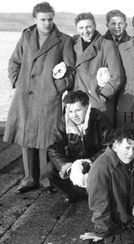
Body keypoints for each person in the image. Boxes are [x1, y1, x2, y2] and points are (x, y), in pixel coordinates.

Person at [4, 1, 75, 194]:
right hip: (26, 97)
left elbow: (71, 70)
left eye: (50, 19)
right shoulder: (26, 36)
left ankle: (45, 179)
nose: (47, 23)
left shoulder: (64, 40)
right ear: (34, 19)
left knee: (46, 138)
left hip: (49, 98)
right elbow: (14, 62)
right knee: (26, 137)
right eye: (43, 19)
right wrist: (18, 83)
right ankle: (29, 179)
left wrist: (56, 87)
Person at [86, 127, 134, 241]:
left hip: (133, 211)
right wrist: (102, 230)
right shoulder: (101, 167)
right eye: (127, 148)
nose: (131, 153)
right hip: (116, 220)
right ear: (116, 146)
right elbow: (99, 203)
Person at [47, 90, 112, 203]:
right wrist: (68, 167)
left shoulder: (99, 119)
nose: (74, 115)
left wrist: (90, 162)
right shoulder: (64, 121)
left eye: (78, 110)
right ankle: (73, 193)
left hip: (95, 162)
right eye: (70, 111)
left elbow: (108, 146)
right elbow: (54, 147)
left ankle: (95, 192)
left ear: (87, 107)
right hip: (74, 163)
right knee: (49, 169)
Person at [73, 12, 124, 125]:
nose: (85, 31)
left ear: (95, 26)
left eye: (88, 27)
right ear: (76, 28)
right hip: (79, 103)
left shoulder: (107, 45)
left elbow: (117, 77)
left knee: (101, 139)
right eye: (81, 28)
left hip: (99, 104)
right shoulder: (75, 46)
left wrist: (102, 96)